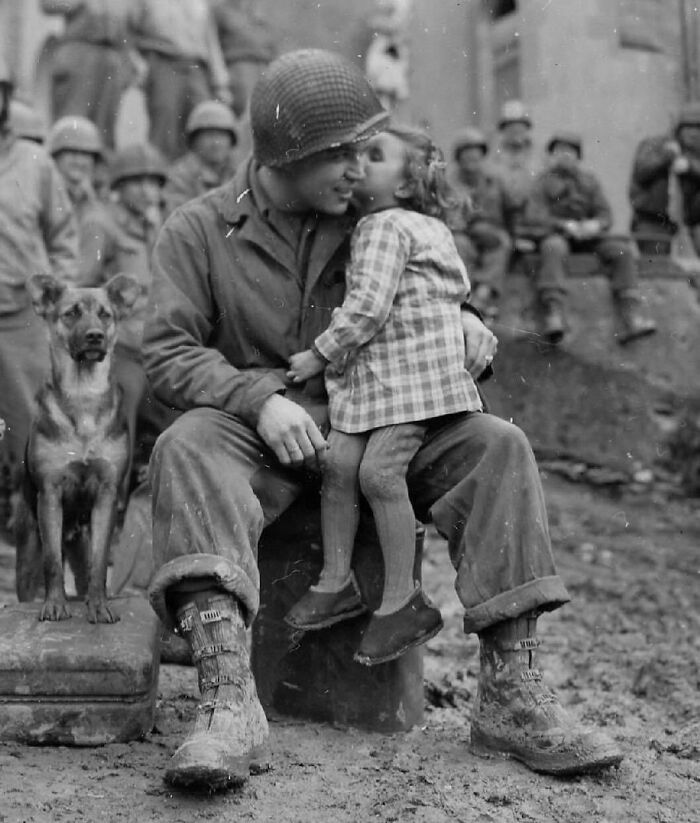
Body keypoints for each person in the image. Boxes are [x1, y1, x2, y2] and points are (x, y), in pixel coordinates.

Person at [142, 49, 623, 791]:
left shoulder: (372, 216)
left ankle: (511, 697)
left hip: (379, 422)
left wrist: (464, 322)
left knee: (496, 446)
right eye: (341, 154)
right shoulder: (198, 230)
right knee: (185, 444)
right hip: (261, 437)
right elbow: (168, 351)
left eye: (367, 152)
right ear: (285, 158)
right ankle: (226, 704)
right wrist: (256, 400)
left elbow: (428, 280)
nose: (358, 167)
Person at [282, 125, 478, 664]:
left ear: (409, 181)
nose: (359, 164)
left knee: (377, 473)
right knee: (339, 463)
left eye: (375, 156)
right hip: (380, 383)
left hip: (410, 383)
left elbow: (367, 308)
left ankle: (402, 602)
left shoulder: (385, 226)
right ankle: (335, 580)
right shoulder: (423, 226)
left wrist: (317, 355)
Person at [0, 54, 79, 525]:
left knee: (31, 429)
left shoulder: (34, 163)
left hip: (21, 319)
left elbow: (64, 236)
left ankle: (31, 535)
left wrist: (56, 298)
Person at [79, 142, 172, 494]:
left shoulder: (151, 223)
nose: (148, 191)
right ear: (119, 186)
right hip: (119, 350)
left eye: (154, 183)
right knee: (121, 428)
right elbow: (84, 286)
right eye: (138, 182)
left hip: (154, 343)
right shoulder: (100, 223)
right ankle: (110, 504)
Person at [520, 132, 657, 345]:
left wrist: (594, 225)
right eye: (559, 151)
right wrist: (563, 225)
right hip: (557, 235)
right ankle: (553, 313)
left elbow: (605, 214)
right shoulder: (541, 182)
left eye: (570, 152)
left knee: (621, 250)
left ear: (578, 156)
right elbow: (534, 216)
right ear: (551, 155)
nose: (565, 156)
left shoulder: (589, 181)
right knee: (553, 248)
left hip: (587, 237)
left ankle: (631, 315)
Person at [130, 0, 232, 161]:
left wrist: (220, 82)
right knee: (165, 123)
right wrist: (138, 64)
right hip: (163, 62)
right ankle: (161, 175)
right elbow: (129, 32)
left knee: (202, 121)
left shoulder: (200, 4)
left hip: (195, 67)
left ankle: (197, 179)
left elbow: (211, 42)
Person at [40, 0, 139, 149]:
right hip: (79, 48)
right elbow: (48, 4)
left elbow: (132, 20)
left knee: (105, 133)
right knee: (72, 126)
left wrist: (127, 59)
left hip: (112, 54)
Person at [448, 126, 515, 321]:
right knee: (460, 246)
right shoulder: (450, 183)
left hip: (492, 230)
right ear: (459, 159)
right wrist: (471, 226)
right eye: (467, 158)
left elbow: (510, 209)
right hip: (463, 232)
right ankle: (464, 298)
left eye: (476, 158)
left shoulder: (494, 180)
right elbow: (450, 216)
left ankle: (484, 295)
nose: (472, 163)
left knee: (502, 243)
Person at [629, 101, 700, 255]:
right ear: (678, 129)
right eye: (688, 127)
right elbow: (641, 172)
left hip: (691, 223)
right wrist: (667, 157)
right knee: (658, 267)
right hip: (653, 221)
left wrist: (690, 167)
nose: (694, 133)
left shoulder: (694, 155)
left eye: (698, 128)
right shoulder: (654, 145)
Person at [163, 100, 239, 216]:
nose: (216, 143)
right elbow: (179, 218)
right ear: (194, 141)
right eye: (209, 136)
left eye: (221, 136)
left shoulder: (239, 170)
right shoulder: (181, 176)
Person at [210, 0, 278, 118]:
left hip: (265, 71)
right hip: (239, 72)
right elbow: (213, 48)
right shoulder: (220, 11)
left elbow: (271, 48)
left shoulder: (257, 13)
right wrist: (221, 83)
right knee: (246, 118)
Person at [46, 115, 105, 223]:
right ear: (56, 156)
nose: (79, 161)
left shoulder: (96, 200)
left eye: (85, 154)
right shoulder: (45, 195)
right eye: (73, 153)